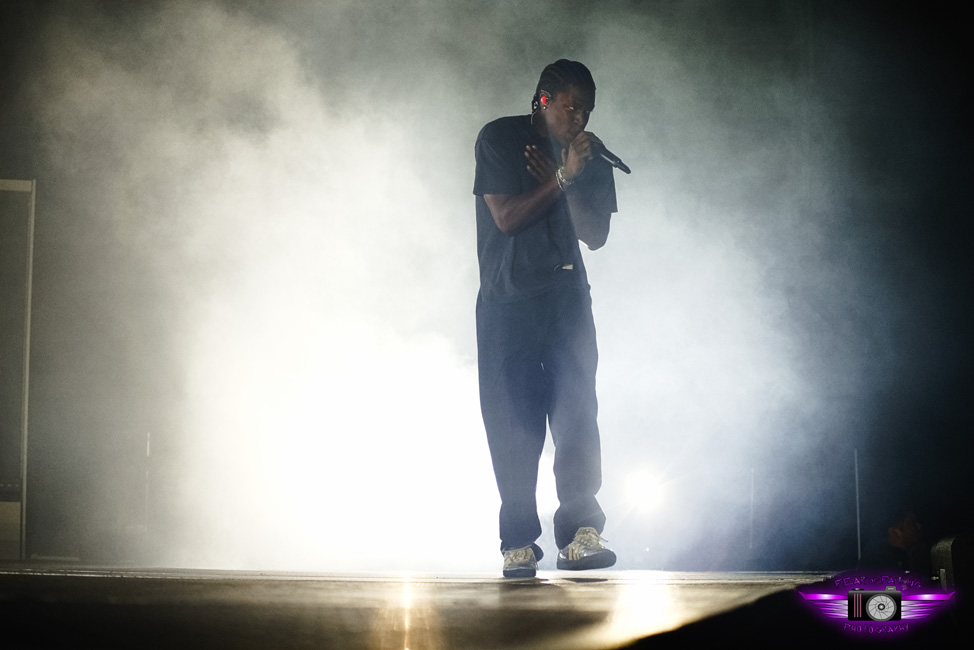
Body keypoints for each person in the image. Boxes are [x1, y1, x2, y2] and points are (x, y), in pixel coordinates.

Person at [473, 60, 619, 578]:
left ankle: (581, 531)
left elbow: (595, 235)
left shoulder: (588, 157)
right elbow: (508, 218)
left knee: (577, 410)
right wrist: (558, 177)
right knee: (512, 421)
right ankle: (517, 541)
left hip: (567, 300)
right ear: (542, 99)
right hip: (508, 302)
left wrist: (572, 178)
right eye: (570, 105)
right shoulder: (500, 138)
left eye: (587, 110)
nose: (579, 118)